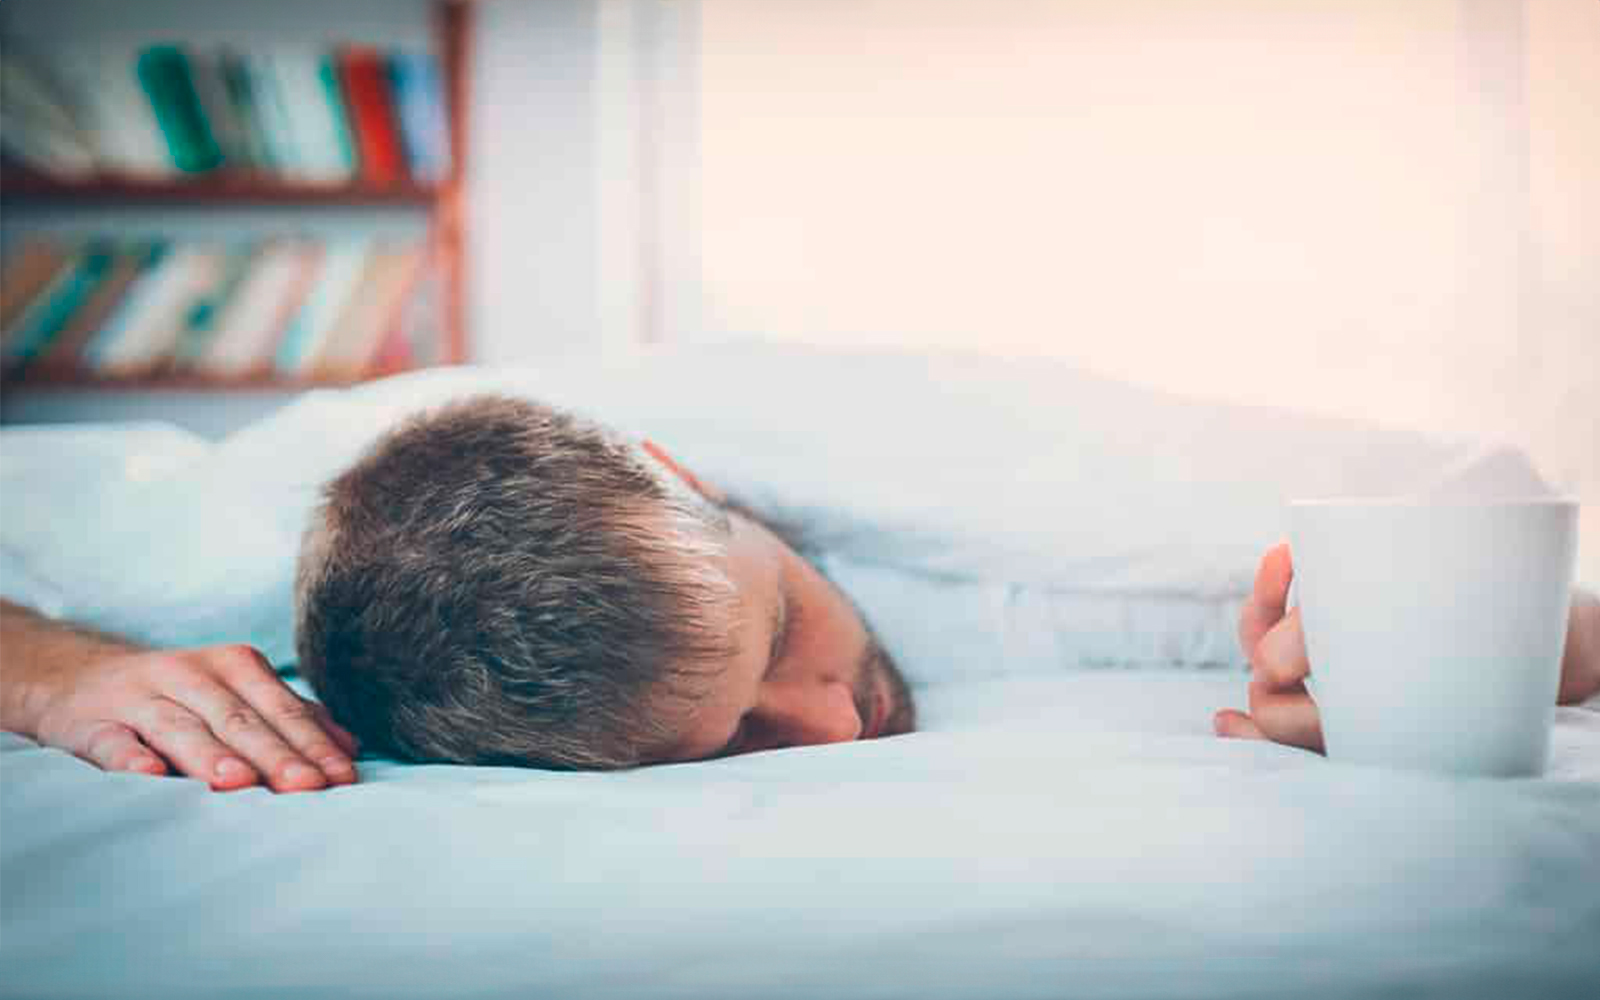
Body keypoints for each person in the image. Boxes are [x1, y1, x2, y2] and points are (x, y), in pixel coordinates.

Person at [1, 395, 1596, 791]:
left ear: (689, 473)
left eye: (780, 639)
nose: (838, 730)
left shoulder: (917, 467)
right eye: (739, 750)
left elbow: (1523, 563)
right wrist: (59, 674)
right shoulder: (214, 553)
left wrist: (1504, 642)